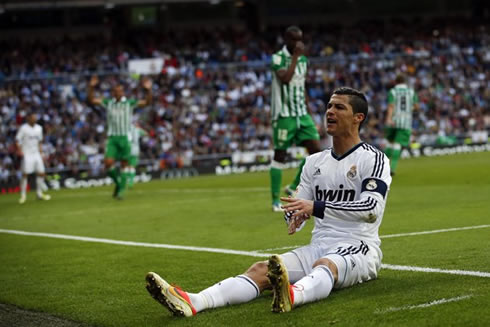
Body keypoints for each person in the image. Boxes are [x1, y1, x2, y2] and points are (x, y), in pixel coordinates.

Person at [145, 87, 392, 316]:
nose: (330, 111)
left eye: (339, 107)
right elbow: (298, 204)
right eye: (329, 106)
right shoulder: (313, 162)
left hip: (359, 246)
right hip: (319, 244)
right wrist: (295, 215)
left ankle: (292, 295)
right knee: (261, 269)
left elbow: (371, 208)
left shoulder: (373, 159)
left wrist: (315, 207)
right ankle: (194, 301)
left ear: (358, 117)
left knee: (325, 264)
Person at [269, 25, 322, 212]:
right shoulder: (277, 58)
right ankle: (275, 200)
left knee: (316, 153)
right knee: (280, 156)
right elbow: (285, 79)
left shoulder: (303, 60)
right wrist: (295, 58)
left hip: (302, 114)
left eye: (300, 39)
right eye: (293, 39)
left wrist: (309, 111)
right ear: (286, 39)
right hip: (284, 115)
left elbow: (300, 86)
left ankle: (292, 186)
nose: (298, 43)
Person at [87, 75, 152, 199]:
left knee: (124, 164)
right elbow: (92, 100)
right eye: (116, 91)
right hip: (112, 138)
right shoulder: (108, 103)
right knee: (108, 163)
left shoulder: (129, 103)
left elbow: (147, 102)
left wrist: (148, 90)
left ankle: (121, 192)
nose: (118, 93)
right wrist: (91, 87)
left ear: (123, 92)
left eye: (120, 91)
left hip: (124, 137)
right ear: (113, 93)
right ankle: (118, 183)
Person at [384, 74, 419, 175]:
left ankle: (381, 166)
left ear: (396, 82)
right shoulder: (412, 92)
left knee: (390, 143)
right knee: (397, 145)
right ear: (405, 82)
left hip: (394, 121)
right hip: (406, 123)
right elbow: (416, 106)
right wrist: (409, 109)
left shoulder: (393, 91)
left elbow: (391, 106)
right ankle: (392, 169)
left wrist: (388, 119)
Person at [15, 112, 51, 204]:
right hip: (27, 154)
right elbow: (17, 140)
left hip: (36, 154)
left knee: (41, 173)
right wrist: (19, 150)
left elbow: (39, 142)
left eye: (36, 117)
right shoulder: (23, 128)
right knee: (25, 174)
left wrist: (41, 153)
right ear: (29, 118)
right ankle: (23, 195)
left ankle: (39, 193)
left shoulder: (39, 128)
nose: (35, 119)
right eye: (33, 117)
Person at [127, 123, 148, 188]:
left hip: (128, 148)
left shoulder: (127, 129)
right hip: (135, 149)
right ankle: (131, 181)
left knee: (127, 165)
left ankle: (127, 179)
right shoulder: (137, 129)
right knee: (132, 166)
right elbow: (145, 133)